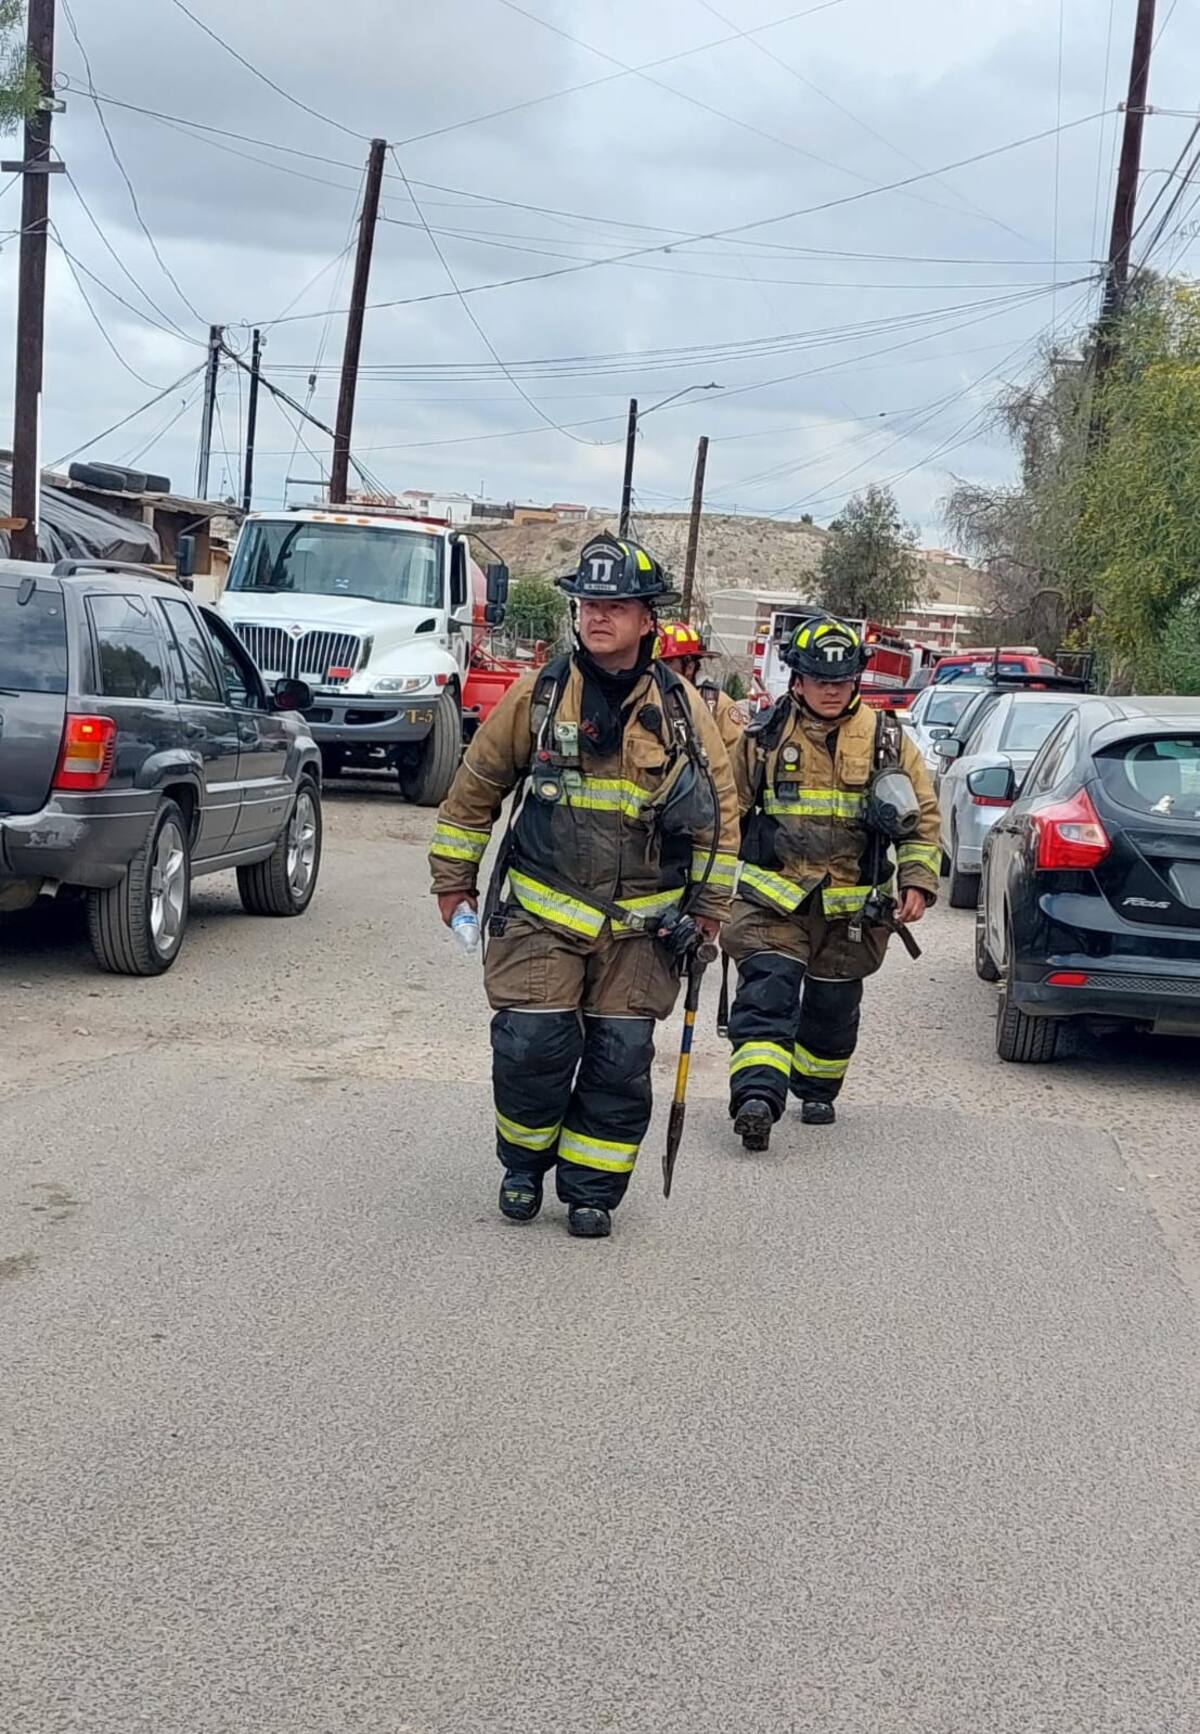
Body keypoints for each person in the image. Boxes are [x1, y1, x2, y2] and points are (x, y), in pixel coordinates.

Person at [429, 534, 741, 1240]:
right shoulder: (537, 697)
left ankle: (592, 1189)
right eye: (588, 603)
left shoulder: (686, 712)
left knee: (619, 1061)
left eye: (615, 605)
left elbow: (721, 825)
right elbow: (474, 789)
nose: (597, 616)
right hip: (540, 916)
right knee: (531, 1048)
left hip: (642, 934)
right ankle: (522, 1164)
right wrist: (454, 882)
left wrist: (710, 915)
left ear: (645, 619)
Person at [724, 613, 941, 1150]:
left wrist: (916, 879)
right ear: (797, 678)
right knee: (767, 995)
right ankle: (757, 1097)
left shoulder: (887, 742)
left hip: (852, 914)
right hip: (772, 905)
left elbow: (922, 820)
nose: (830, 689)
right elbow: (723, 816)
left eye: (840, 680)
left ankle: (817, 1087)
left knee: (831, 1011)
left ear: (855, 680)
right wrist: (700, 892)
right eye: (820, 679)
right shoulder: (762, 739)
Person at [656, 620, 749, 756]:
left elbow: (736, 758)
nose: (661, 670)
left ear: (689, 667)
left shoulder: (718, 705)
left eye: (668, 663)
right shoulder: (652, 699)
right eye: (659, 663)